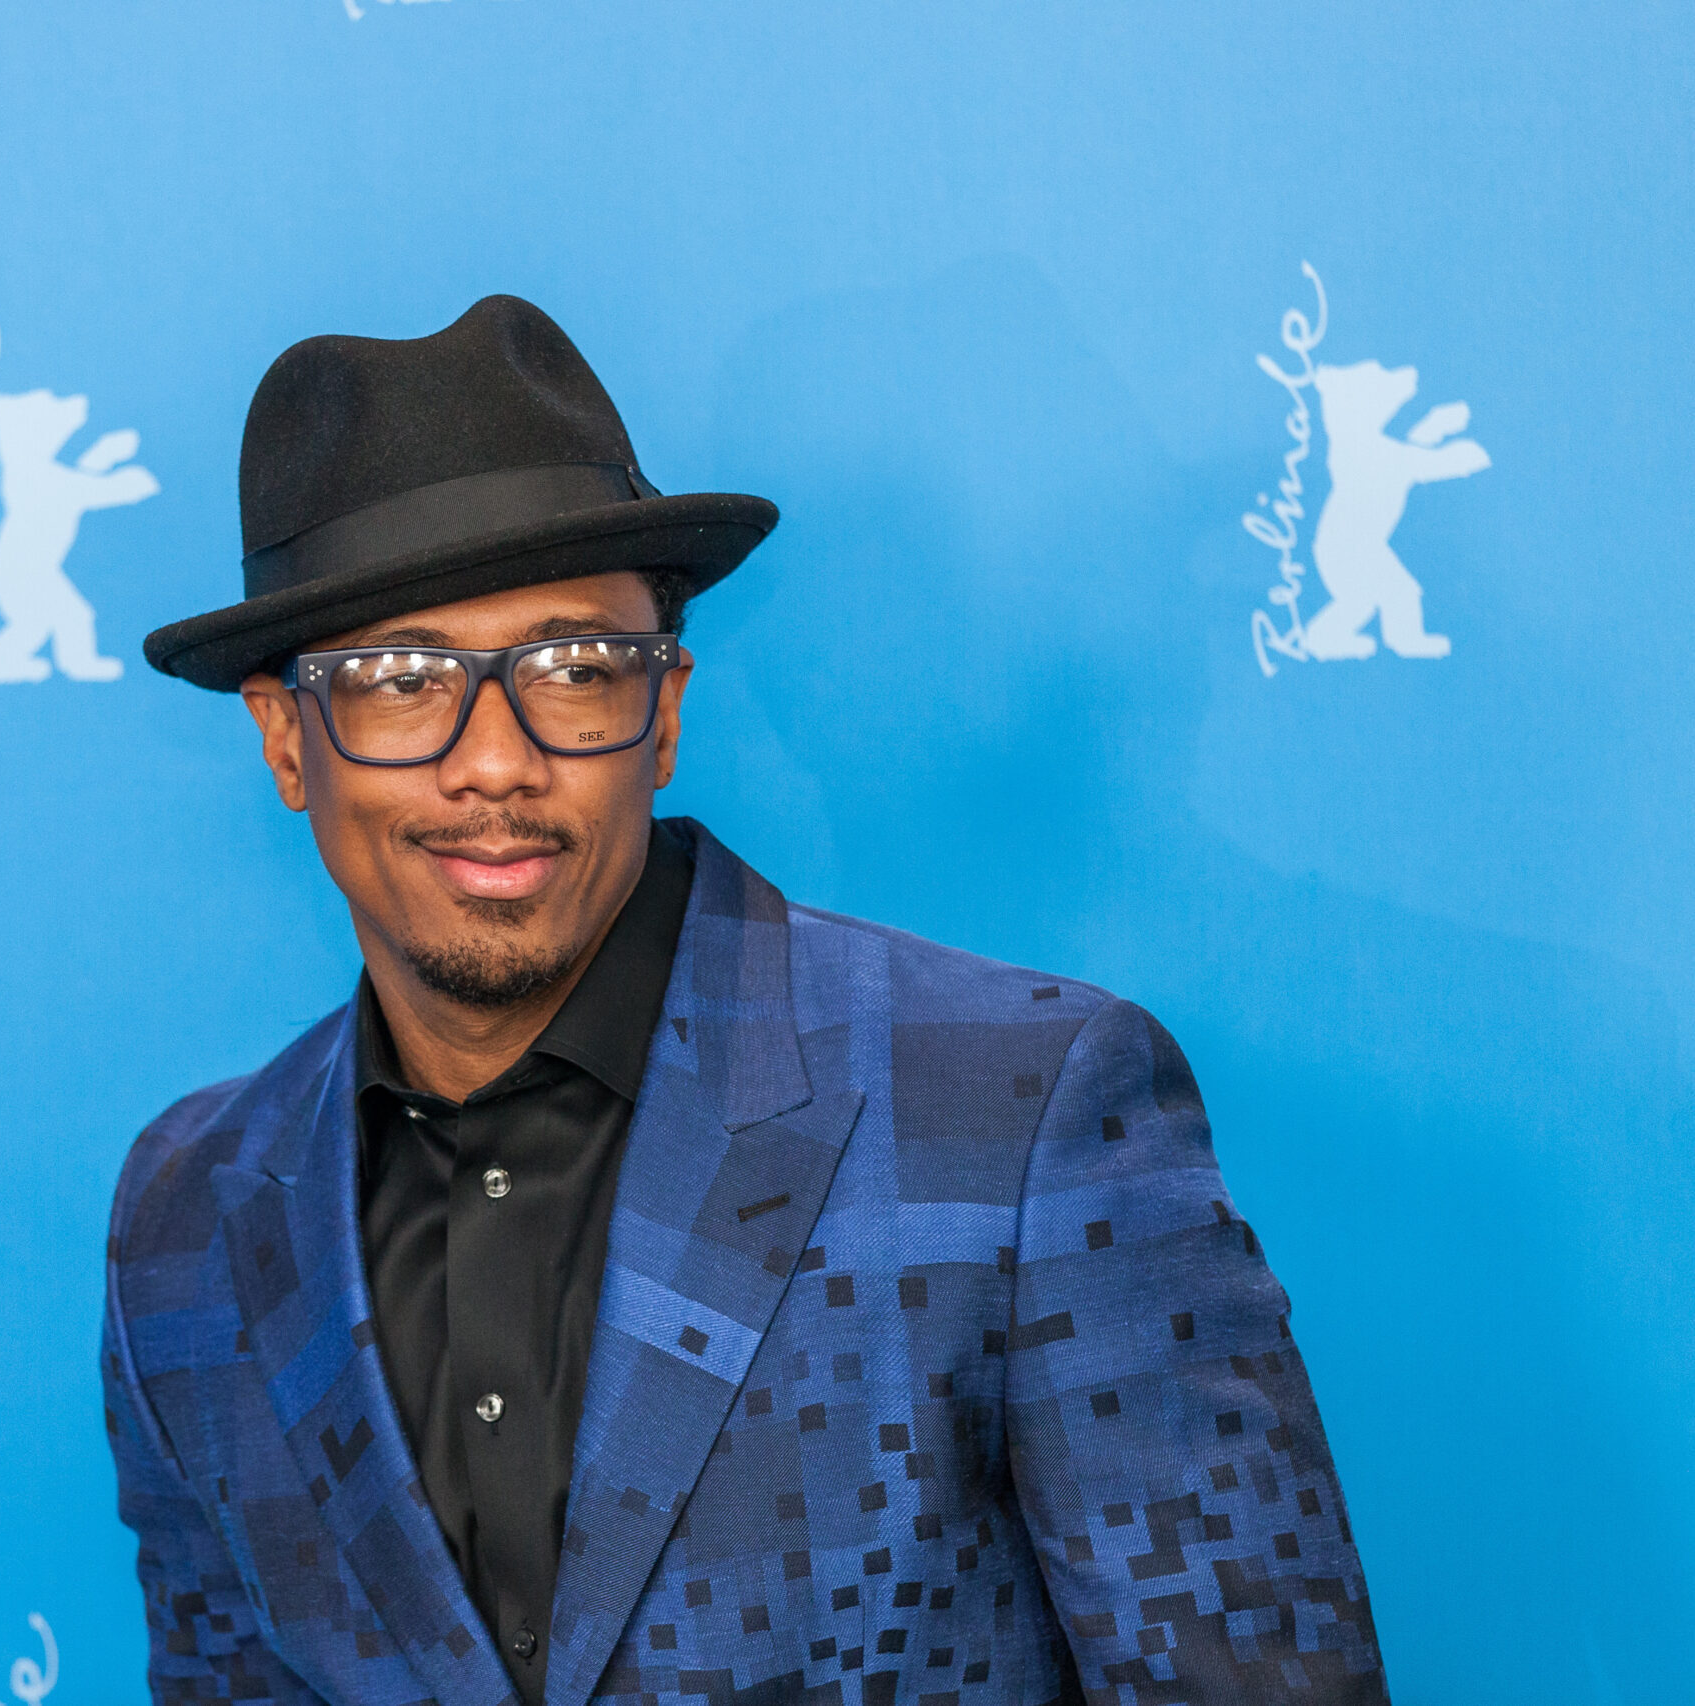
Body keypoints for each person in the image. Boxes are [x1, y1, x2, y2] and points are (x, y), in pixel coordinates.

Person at [101, 295, 1387, 1706]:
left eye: (572, 670)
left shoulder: (1021, 1115)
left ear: (661, 715)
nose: (495, 761)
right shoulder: (188, 1216)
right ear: (287, 741)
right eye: (401, 681)